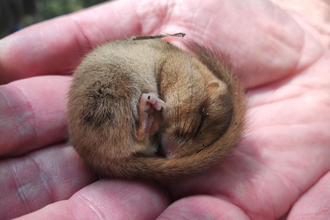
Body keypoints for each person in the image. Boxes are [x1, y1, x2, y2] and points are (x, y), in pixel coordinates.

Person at [0, 0, 329, 219]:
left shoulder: (187, 78)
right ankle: (139, 132)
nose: (178, 152)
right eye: (193, 132)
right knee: (121, 90)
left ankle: (140, 133)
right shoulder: (189, 79)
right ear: (207, 95)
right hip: (112, 107)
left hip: (117, 131)